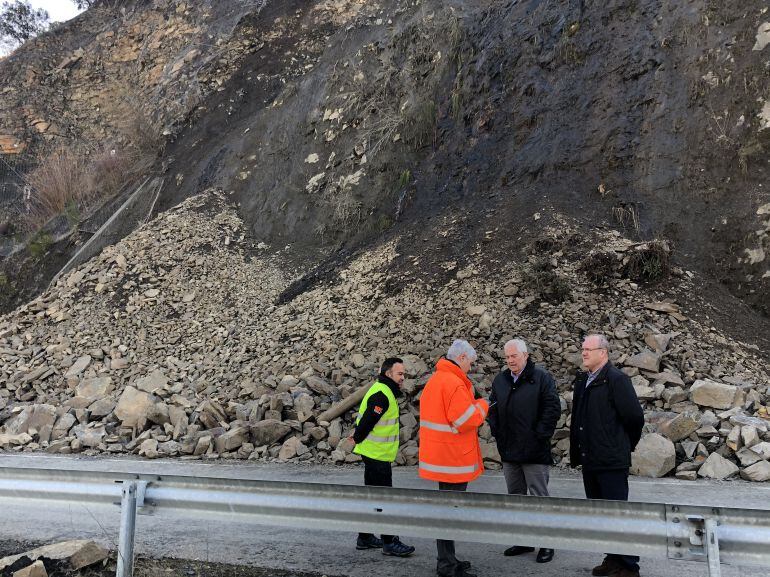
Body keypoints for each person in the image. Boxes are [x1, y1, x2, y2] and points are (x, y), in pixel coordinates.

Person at [570, 334, 645, 577]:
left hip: (611, 460)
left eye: (589, 349)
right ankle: (613, 559)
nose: (584, 353)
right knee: (601, 515)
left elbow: (634, 418)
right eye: (583, 349)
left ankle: (629, 566)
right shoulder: (584, 380)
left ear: (603, 353)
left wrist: (622, 445)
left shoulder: (616, 380)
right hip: (590, 459)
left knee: (617, 513)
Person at [419, 339, 489, 577]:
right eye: (470, 362)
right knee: (449, 513)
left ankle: (448, 559)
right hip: (453, 460)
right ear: (461, 358)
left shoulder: (436, 380)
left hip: (441, 458)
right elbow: (465, 420)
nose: (471, 366)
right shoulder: (454, 383)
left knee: (446, 511)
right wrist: (482, 405)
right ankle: (447, 565)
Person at [488, 338, 560, 563]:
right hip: (509, 451)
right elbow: (493, 408)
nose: (510, 361)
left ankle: (548, 544)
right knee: (516, 498)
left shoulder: (541, 378)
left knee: (539, 498)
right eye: (507, 357)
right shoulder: (500, 380)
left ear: (525, 355)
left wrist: (539, 436)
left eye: (514, 356)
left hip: (534, 451)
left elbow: (552, 408)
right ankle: (524, 540)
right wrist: (498, 433)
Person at [352, 357, 416, 557]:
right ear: (388, 374)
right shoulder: (382, 394)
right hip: (376, 454)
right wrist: (356, 438)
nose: (403, 378)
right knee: (384, 498)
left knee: (372, 495)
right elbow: (368, 420)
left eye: (403, 374)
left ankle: (364, 537)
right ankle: (389, 541)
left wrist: (359, 439)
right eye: (400, 374)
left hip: (375, 453)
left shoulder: (383, 390)